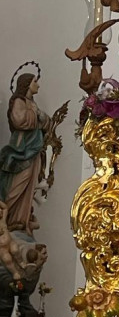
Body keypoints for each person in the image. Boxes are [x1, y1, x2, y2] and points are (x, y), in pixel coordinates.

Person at [0, 73, 65, 235]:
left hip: (33, 150)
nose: (38, 85)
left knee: (29, 185)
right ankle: (6, 216)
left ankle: (19, 221)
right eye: (35, 82)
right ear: (27, 84)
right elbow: (19, 120)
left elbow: (47, 123)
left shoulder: (32, 103)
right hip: (21, 149)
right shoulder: (18, 101)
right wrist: (36, 115)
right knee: (18, 183)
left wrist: (41, 116)